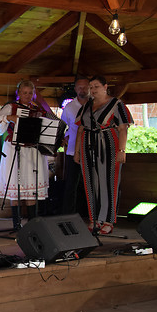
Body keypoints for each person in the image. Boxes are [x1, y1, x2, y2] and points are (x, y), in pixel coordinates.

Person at [74, 75, 133, 234]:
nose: (93, 90)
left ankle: (108, 220)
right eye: (91, 87)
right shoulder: (87, 106)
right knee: (90, 182)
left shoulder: (116, 104)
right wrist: (77, 151)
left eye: (96, 86)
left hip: (109, 144)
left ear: (105, 87)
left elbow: (123, 129)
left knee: (109, 181)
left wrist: (122, 150)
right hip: (87, 145)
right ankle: (94, 219)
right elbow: (80, 129)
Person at [0, 80, 49, 230]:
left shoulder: (37, 109)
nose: (27, 96)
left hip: (32, 151)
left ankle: (33, 225)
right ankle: (16, 225)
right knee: (15, 187)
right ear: (18, 93)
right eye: (24, 93)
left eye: (30, 93)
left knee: (31, 189)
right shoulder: (11, 107)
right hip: (14, 149)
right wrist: (9, 118)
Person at [60, 75, 89, 215]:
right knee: (71, 185)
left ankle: (91, 215)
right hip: (72, 151)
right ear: (75, 89)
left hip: (92, 151)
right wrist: (64, 137)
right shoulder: (69, 107)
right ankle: (68, 215)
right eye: (79, 87)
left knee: (91, 185)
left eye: (85, 87)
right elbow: (63, 126)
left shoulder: (96, 104)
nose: (82, 90)